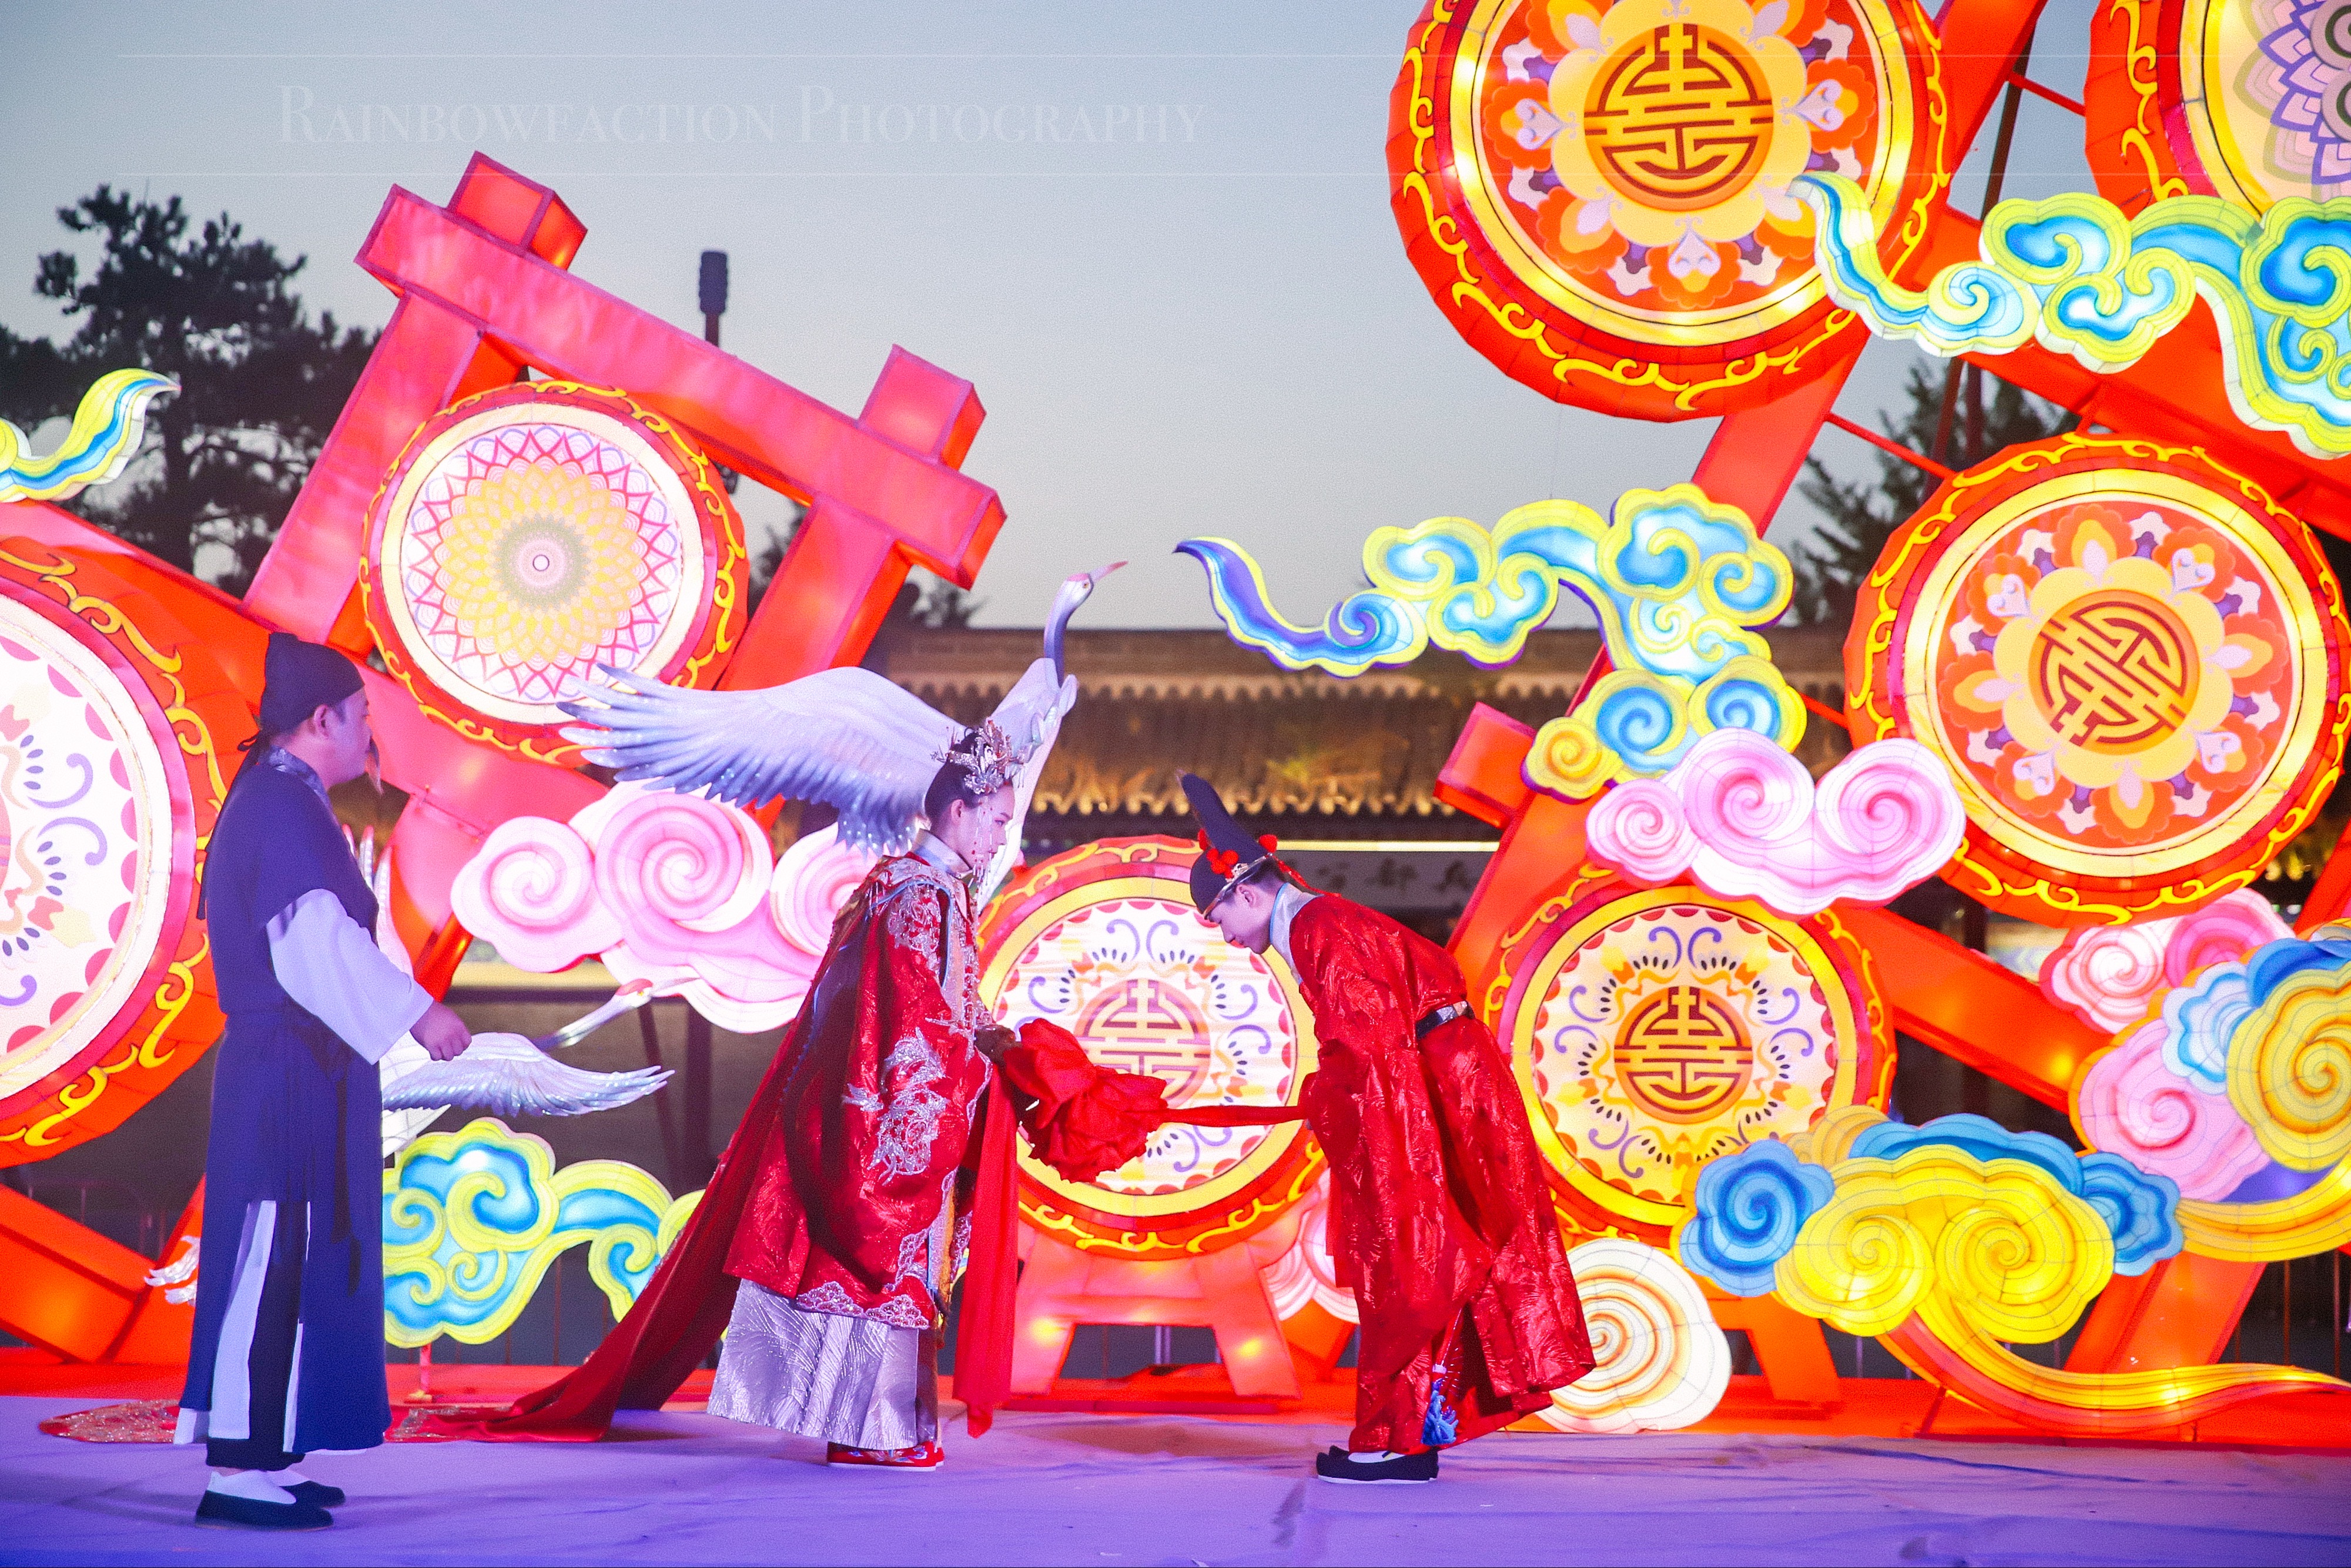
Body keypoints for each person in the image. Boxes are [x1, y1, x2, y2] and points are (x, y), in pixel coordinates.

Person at [433, 721, 1030, 1467]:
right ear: (959, 811)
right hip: (895, 1104)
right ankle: (875, 1431)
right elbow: (913, 1023)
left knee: (867, 1265)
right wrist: (979, 1063)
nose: (1001, 837)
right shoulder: (920, 896)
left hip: (874, 1099)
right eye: (997, 820)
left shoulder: (909, 884)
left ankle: (885, 1427)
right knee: (881, 1258)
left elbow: (936, 1006)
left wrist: (991, 1042)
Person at [1181, 773, 1593, 1485]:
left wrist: (1346, 1119)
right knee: (1432, 1256)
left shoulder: (1317, 930)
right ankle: (1408, 1431)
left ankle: (1393, 1436)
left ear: (1245, 892)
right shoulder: (1321, 922)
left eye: (1217, 917)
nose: (1223, 934)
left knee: (1404, 1254)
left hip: (1432, 1090)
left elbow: (1370, 1054)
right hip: (1445, 1080)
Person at [176, 634, 471, 1530]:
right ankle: (237, 1464)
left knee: (290, 1252)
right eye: (361, 716)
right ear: (321, 720)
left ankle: (267, 1451)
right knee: (266, 1253)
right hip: (283, 1070)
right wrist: (420, 1013)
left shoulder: (280, 798)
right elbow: (316, 945)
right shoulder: (280, 806)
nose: (369, 734)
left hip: (296, 1066)